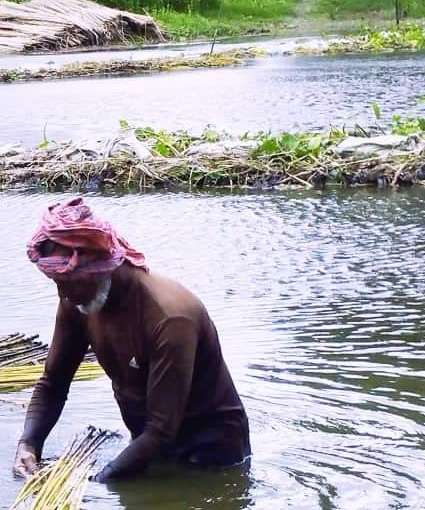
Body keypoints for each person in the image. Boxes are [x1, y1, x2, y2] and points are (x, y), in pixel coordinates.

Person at [12, 197, 249, 483]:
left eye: (70, 283)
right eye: (58, 284)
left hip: (209, 454)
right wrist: (28, 445)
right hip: (147, 444)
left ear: (101, 268)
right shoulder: (78, 301)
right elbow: (53, 384)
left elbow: (162, 429)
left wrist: (97, 482)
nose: (64, 295)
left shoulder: (170, 317)